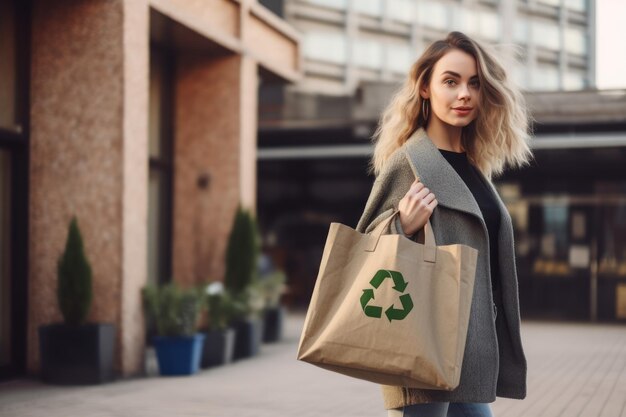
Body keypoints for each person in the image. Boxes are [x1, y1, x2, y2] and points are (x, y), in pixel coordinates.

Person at [355, 31, 534, 417]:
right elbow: (363, 248)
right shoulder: (410, 162)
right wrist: (401, 223)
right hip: (422, 342)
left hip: (469, 347)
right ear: (425, 88)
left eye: (474, 83)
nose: (464, 94)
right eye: (450, 81)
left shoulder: (474, 168)